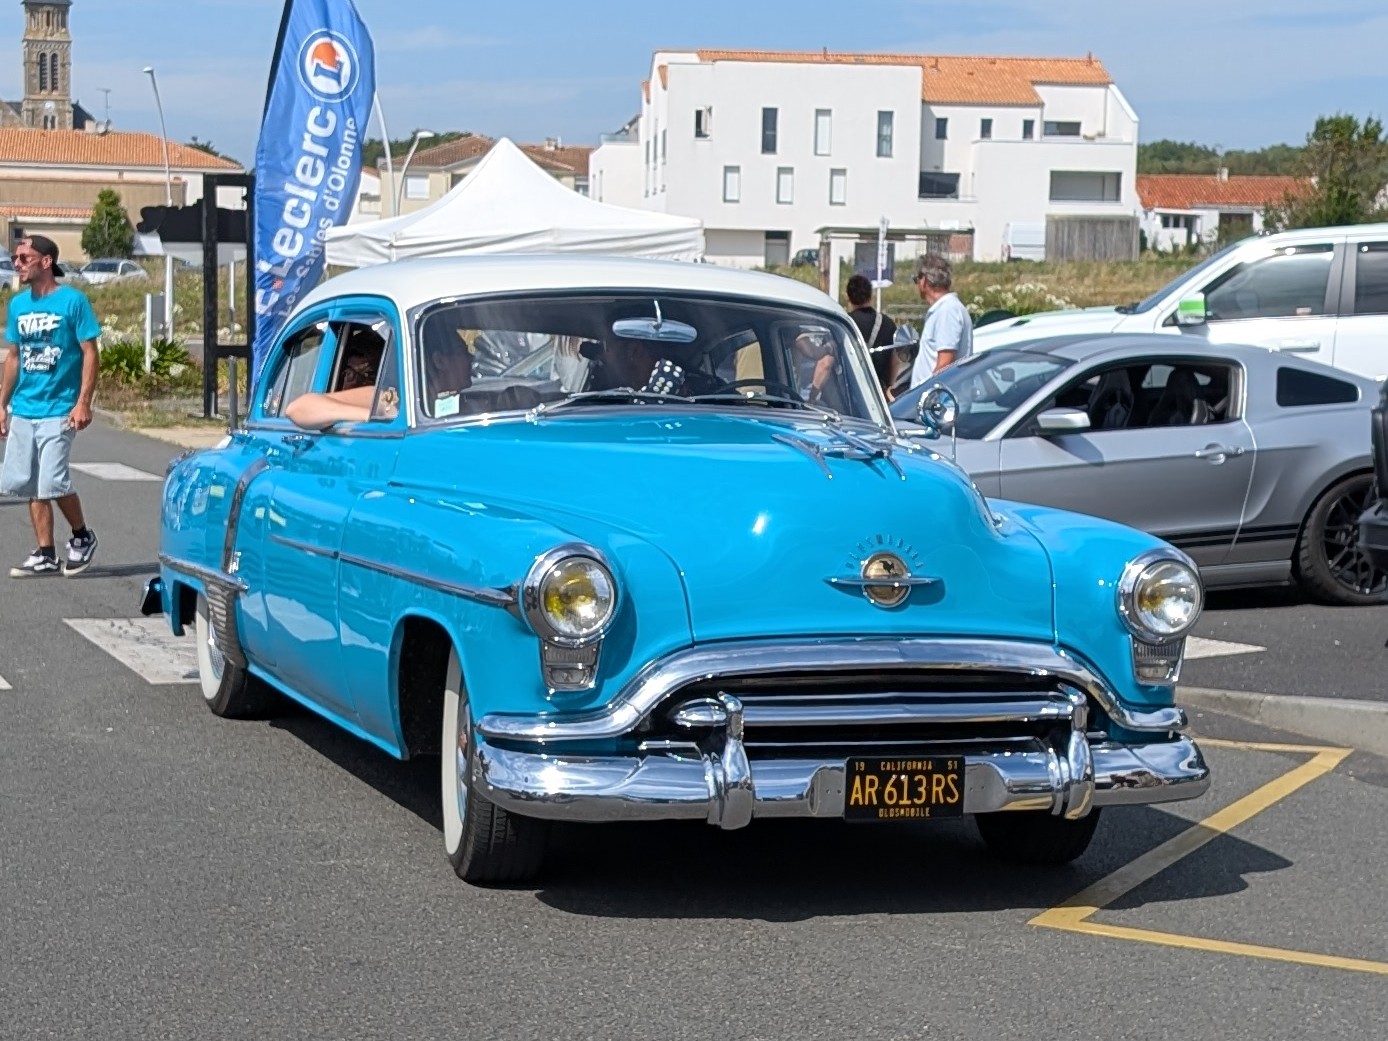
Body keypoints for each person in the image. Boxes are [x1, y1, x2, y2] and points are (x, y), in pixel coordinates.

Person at [0, 235, 101, 578]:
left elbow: (90, 352)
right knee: (28, 483)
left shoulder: (73, 301)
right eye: (16, 258)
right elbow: (13, 357)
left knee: (53, 482)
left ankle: (82, 535)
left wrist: (83, 402)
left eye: (24, 257)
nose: (17, 263)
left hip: (60, 408)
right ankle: (45, 553)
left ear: (46, 261)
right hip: (24, 408)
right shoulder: (17, 305)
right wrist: (2, 405)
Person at [908, 254, 973, 387]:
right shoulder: (944, 309)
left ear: (924, 281)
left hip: (940, 404)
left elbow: (945, 364)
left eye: (917, 280)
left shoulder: (947, 311)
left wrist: (928, 395)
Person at [844, 273, 897, 399]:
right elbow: (895, 361)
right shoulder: (887, 323)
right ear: (870, 296)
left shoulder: (846, 324)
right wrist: (890, 386)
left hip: (849, 393)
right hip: (878, 394)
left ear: (849, 297)